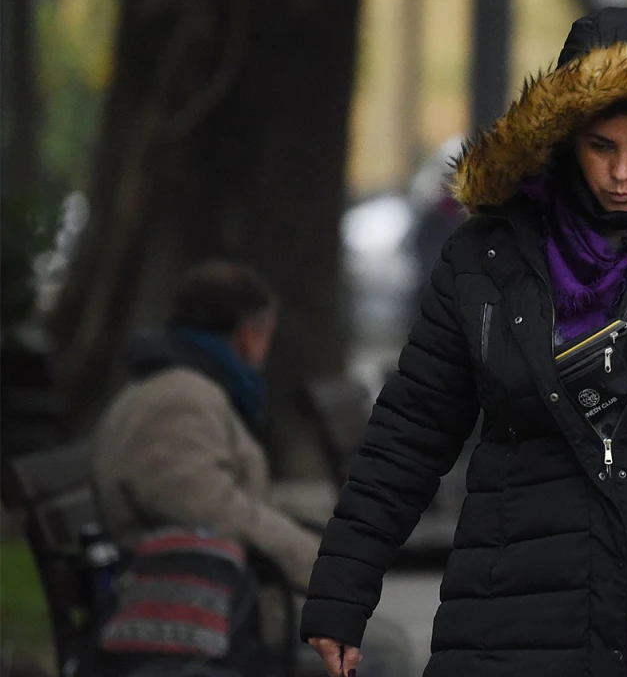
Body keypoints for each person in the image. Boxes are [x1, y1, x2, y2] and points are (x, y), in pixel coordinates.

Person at [300, 8, 627, 677]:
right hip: (506, 615)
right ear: (561, 138)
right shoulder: (487, 255)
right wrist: (341, 594)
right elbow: (410, 431)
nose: (623, 174)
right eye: (602, 146)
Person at [92, 260, 408, 676]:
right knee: (381, 651)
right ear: (248, 335)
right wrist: (324, 570)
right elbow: (214, 511)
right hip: (199, 618)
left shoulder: (184, 389)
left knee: (380, 640)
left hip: (218, 602)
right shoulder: (176, 402)